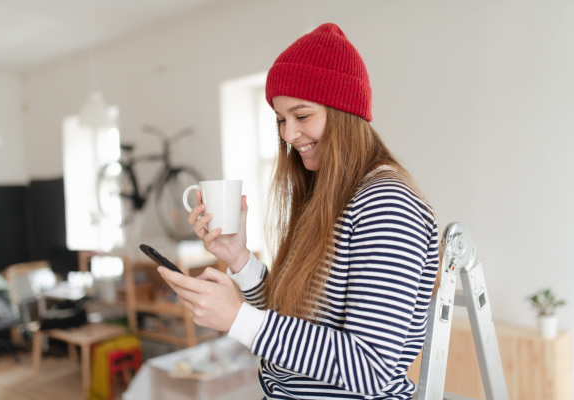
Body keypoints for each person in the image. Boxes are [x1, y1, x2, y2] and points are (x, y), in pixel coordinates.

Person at [158, 22, 439, 400]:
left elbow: (371, 367)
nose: (288, 135)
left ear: (344, 111)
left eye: (302, 116)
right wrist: (239, 259)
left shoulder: (385, 203)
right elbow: (298, 319)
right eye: (280, 120)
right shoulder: (328, 193)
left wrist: (240, 319)